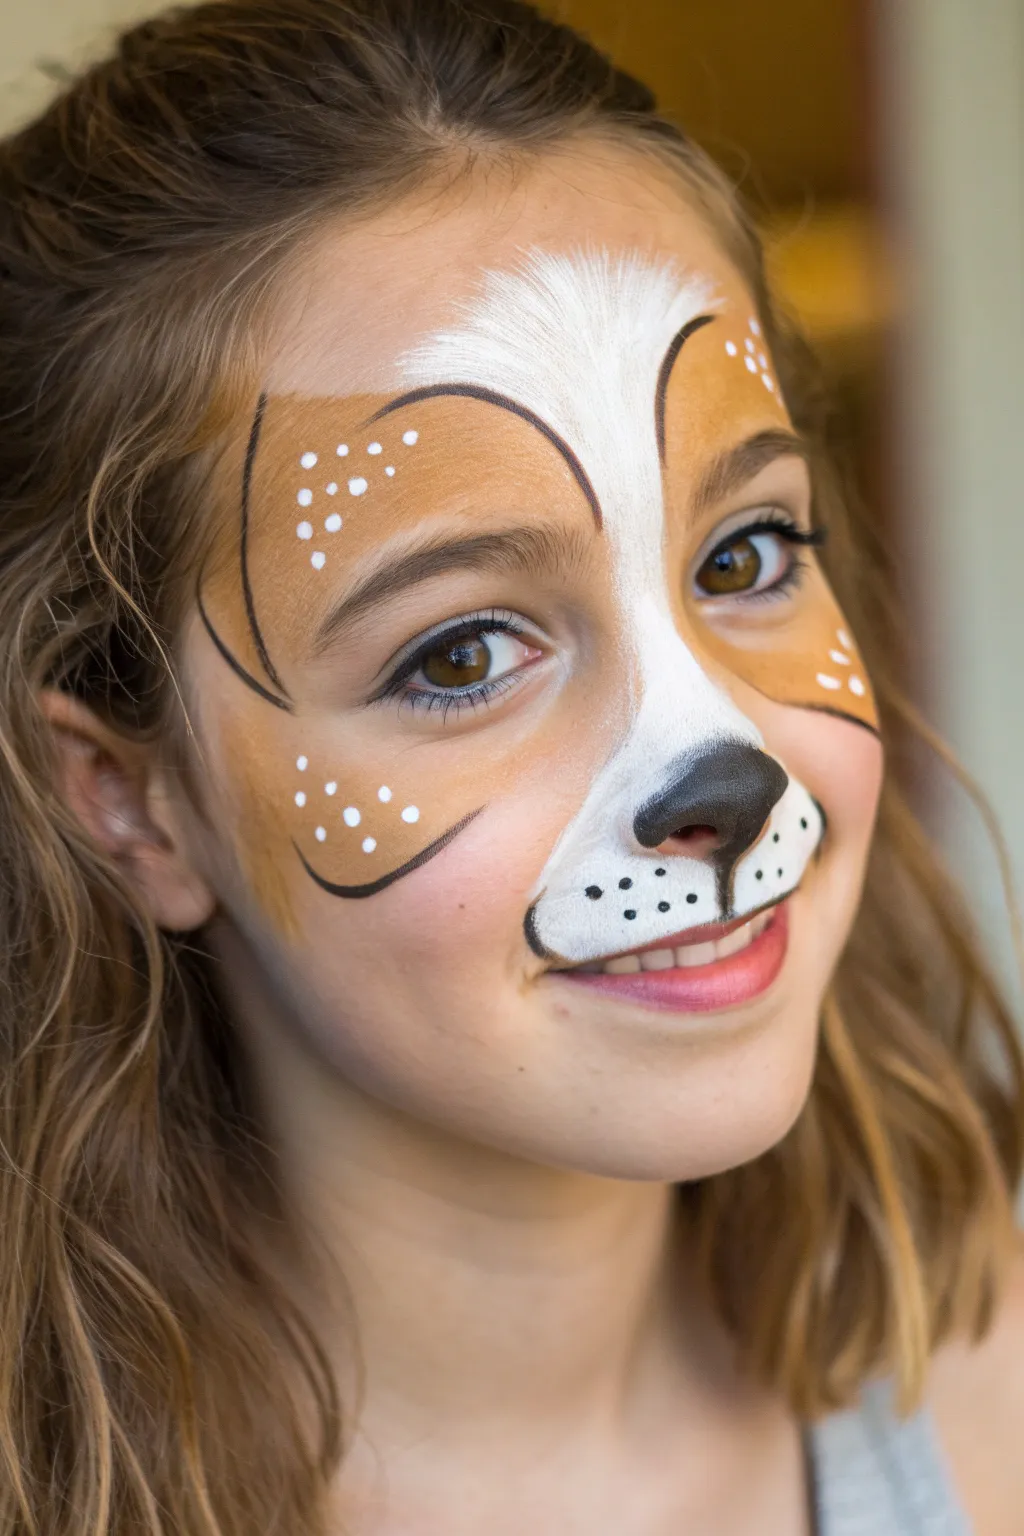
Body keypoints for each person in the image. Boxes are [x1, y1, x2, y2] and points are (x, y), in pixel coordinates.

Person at [0, 1, 1021, 1531]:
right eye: (462, 655)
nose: (723, 763)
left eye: (743, 553)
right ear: (129, 801)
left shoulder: (994, 1382)